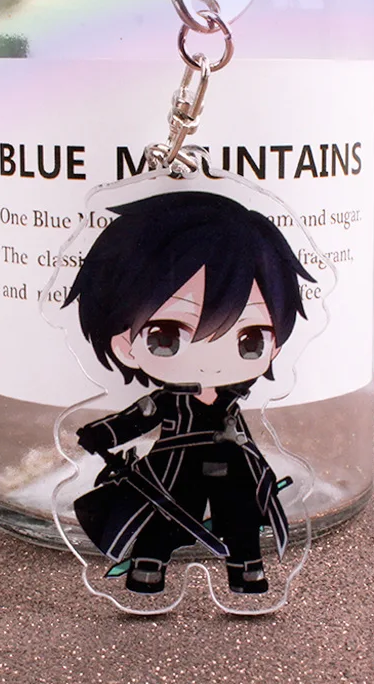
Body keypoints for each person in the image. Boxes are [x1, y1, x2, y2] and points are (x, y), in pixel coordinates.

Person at [64, 190, 315, 594]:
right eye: (167, 336)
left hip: (236, 467)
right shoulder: (169, 401)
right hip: (177, 467)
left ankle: (248, 569)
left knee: (241, 518)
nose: (211, 360)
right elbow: (136, 419)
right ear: (125, 344)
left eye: (250, 339)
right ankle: (148, 568)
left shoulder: (234, 399)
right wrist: (100, 435)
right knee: (164, 516)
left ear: (275, 347)